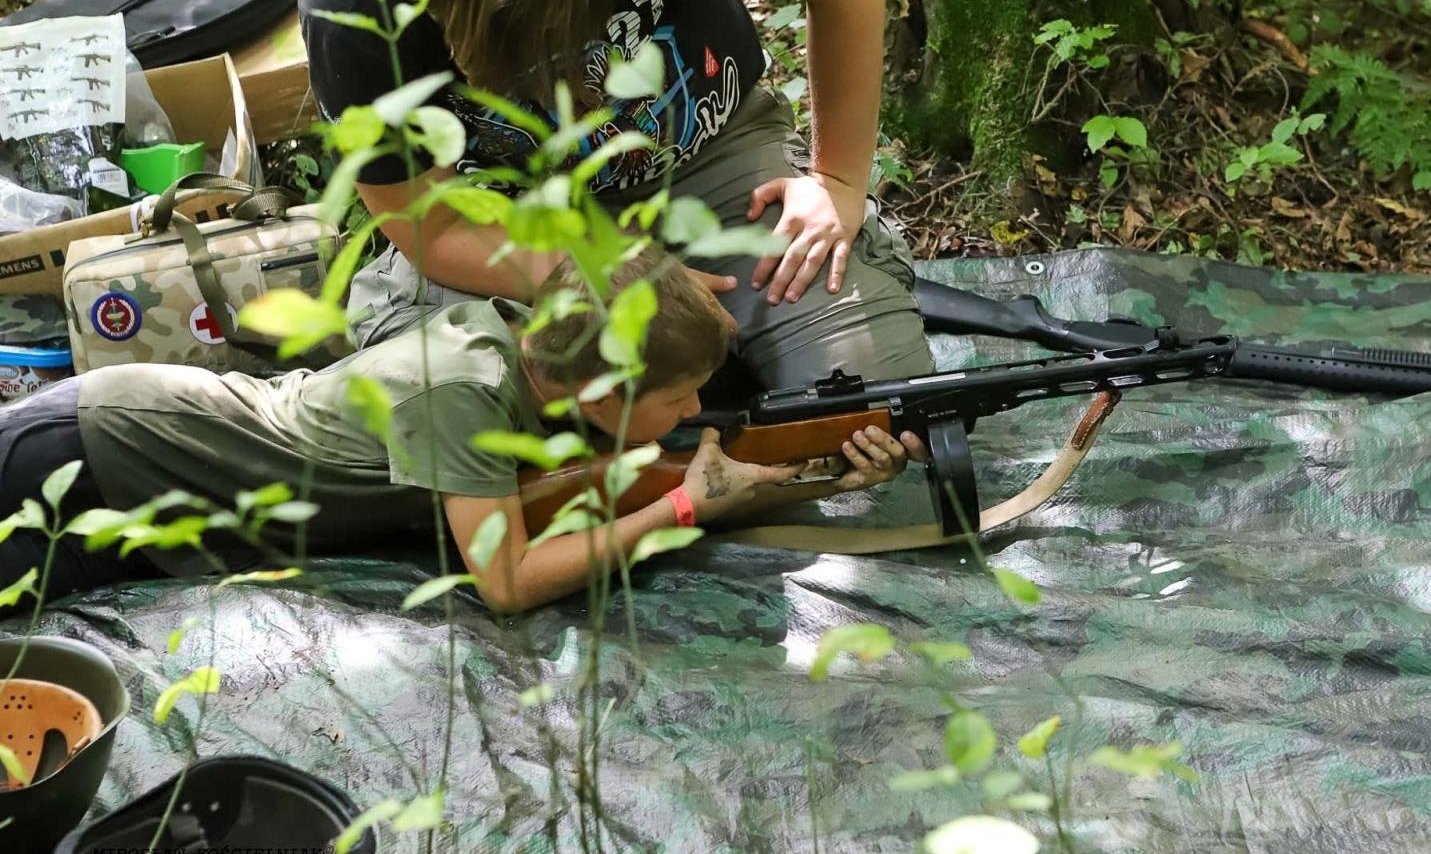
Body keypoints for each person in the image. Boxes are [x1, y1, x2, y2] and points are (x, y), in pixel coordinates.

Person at [299, 0, 935, 386]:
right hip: (505, 215)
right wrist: (611, 275)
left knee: (866, 396)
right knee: (449, 409)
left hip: (706, 158)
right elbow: (432, 228)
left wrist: (840, 182)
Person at [0, 249, 923, 618]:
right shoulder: (469, 392)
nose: (693, 415)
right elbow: (510, 583)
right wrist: (685, 503)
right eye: (682, 395)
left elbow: (615, 480)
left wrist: (815, 469)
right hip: (90, 455)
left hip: (147, 458)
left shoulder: (536, 350)